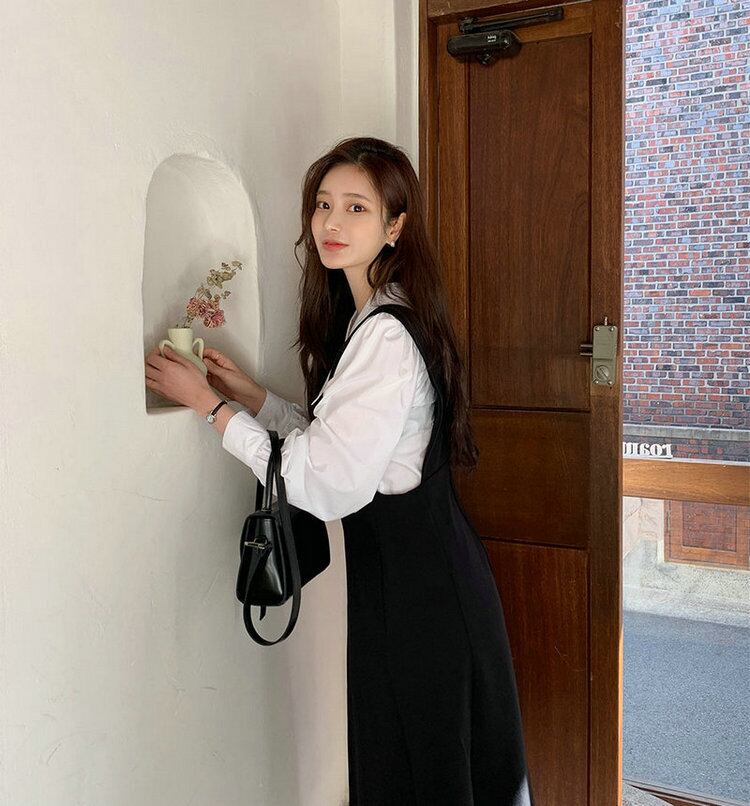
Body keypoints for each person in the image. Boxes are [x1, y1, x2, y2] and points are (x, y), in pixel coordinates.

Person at [145, 136, 534, 805]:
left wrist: (210, 408)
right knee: (421, 765)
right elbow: (348, 447)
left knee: (422, 770)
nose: (332, 222)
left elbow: (325, 481)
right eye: (324, 204)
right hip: (418, 584)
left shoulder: (384, 333)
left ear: (395, 225)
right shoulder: (379, 316)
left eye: (357, 207)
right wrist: (255, 399)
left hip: (423, 600)